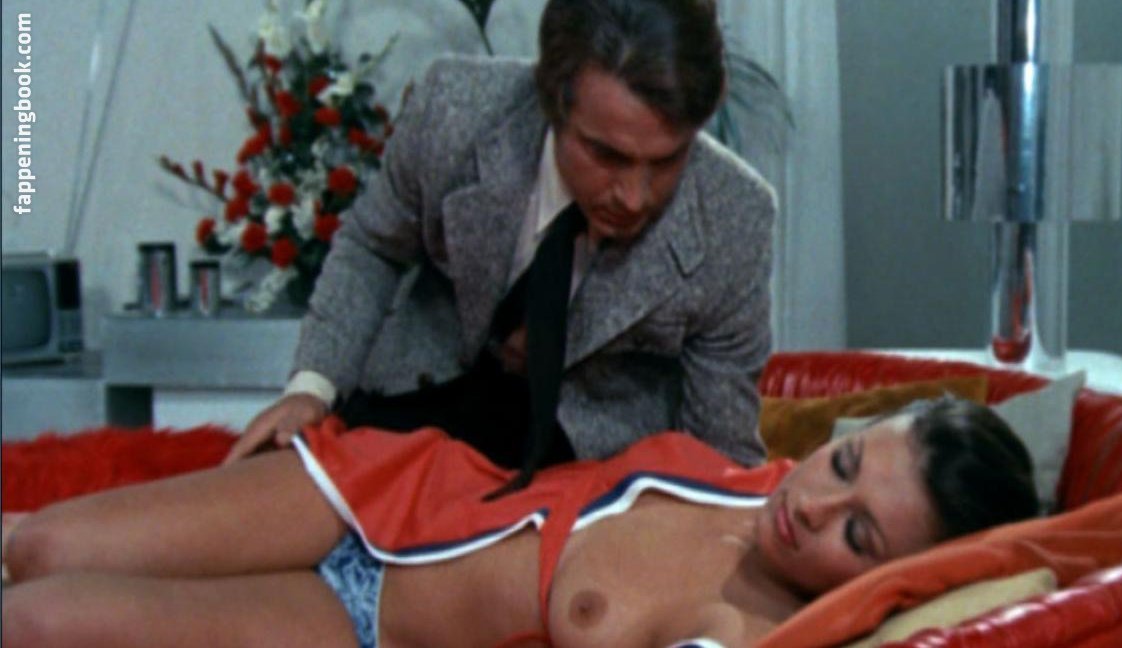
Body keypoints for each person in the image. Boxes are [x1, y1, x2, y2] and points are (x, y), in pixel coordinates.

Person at [227, 0, 779, 485]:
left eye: (666, 161)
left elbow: (719, 453)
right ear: (553, 101)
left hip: (580, 469)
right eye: (607, 155)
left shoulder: (735, 217)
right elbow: (373, 247)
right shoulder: (454, 109)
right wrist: (311, 388)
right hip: (415, 402)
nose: (635, 198)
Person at [2, 397, 1039, 647]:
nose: (810, 506)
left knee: (37, 622)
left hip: (364, 627)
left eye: (858, 535)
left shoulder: (748, 631)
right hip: (388, 492)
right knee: (36, 543)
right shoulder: (761, 477)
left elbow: (1070, 553)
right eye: (843, 464)